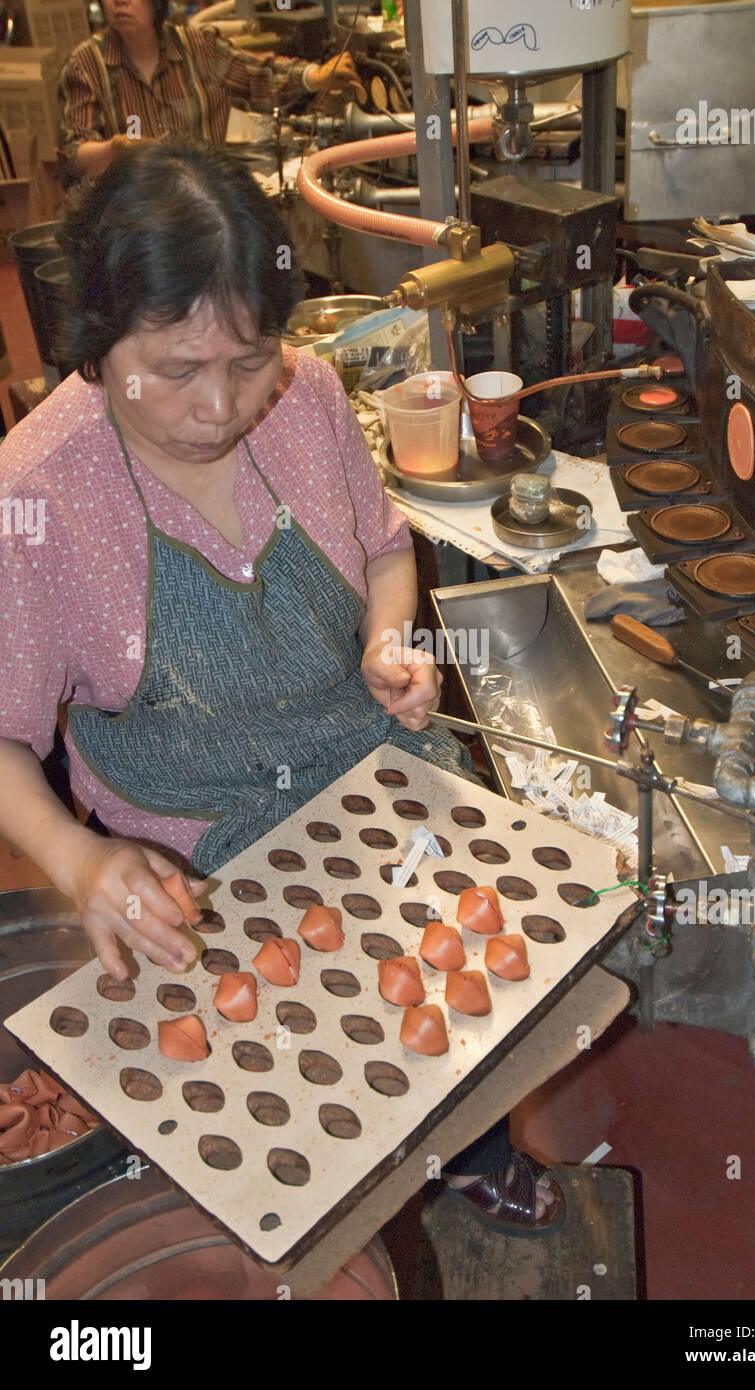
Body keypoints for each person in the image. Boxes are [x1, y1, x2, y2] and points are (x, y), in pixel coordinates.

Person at [0, 141, 563, 1236]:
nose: (220, 404)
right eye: (176, 369)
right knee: (303, 1081)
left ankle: (469, 1144)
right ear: (97, 341)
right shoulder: (38, 496)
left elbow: (387, 548)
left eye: (249, 358)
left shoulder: (306, 398)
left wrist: (386, 644)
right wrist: (79, 861)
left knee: (471, 984)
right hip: (199, 837)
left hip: (369, 764)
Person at [57, 0, 365, 180]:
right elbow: (73, 153)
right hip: (133, 216)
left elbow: (257, 74)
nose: (119, 2)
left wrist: (315, 76)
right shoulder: (86, 64)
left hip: (204, 202)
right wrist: (113, 150)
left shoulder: (198, 48)